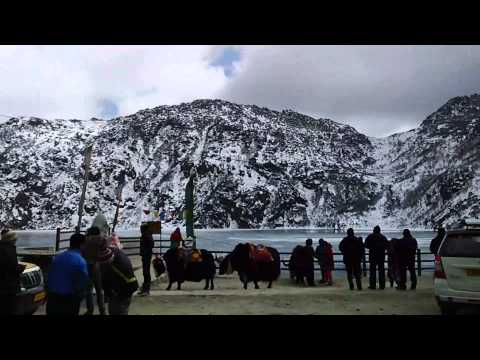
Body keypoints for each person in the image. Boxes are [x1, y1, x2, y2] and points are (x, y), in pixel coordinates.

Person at [46, 233, 89, 315]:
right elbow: (82, 282)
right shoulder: (80, 261)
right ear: (81, 245)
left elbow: (49, 276)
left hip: (52, 298)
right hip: (68, 299)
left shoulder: (58, 257)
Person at [98, 244, 138, 315]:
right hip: (118, 288)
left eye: (105, 263)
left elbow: (133, 285)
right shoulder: (115, 252)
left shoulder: (121, 266)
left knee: (118, 310)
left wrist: (116, 295)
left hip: (123, 291)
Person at [0, 230, 25, 316]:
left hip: (3, 285)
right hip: (10, 285)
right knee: (11, 308)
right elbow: (13, 267)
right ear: (11, 240)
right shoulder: (10, 250)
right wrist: (21, 268)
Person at [82, 226, 107, 315]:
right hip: (97, 266)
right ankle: (102, 310)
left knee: (88, 290)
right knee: (99, 290)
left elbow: (82, 252)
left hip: (88, 266)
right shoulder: (102, 240)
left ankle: (90, 309)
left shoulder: (86, 241)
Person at [364, 225, 389, 290]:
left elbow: (366, 245)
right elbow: (387, 245)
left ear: (374, 230)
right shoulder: (383, 237)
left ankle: (373, 285)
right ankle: (382, 285)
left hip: (372, 255)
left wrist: (371, 247)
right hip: (381, 255)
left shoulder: (370, 236)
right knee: (381, 270)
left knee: (372, 271)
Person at [138, 224, 154, 296]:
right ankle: (144, 288)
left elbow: (151, 245)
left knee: (146, 272)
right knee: (145, 272)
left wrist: (145, 252)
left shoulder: (147, 235)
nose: (140, 230)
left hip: (146, 256)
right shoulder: (145, 235)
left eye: (141, 229)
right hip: (145, 256)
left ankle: (146, 289)